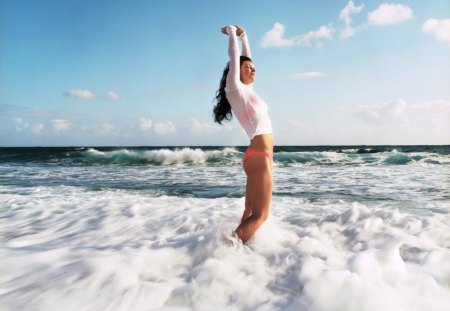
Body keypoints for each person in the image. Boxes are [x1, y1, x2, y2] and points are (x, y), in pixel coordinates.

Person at [213, 25, 274, 244]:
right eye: (248, 67)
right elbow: (236, 56)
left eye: (254, 67)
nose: (253, 69)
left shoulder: (249, 91)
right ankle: (225, 253)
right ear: (237, 72)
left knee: (250, 212)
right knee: (261, 215)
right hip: (258, 156)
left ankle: (237, 255)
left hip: (258, 156)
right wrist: (231, 33)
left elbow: (246, 56)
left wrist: (245, 35)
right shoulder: (235, 89)